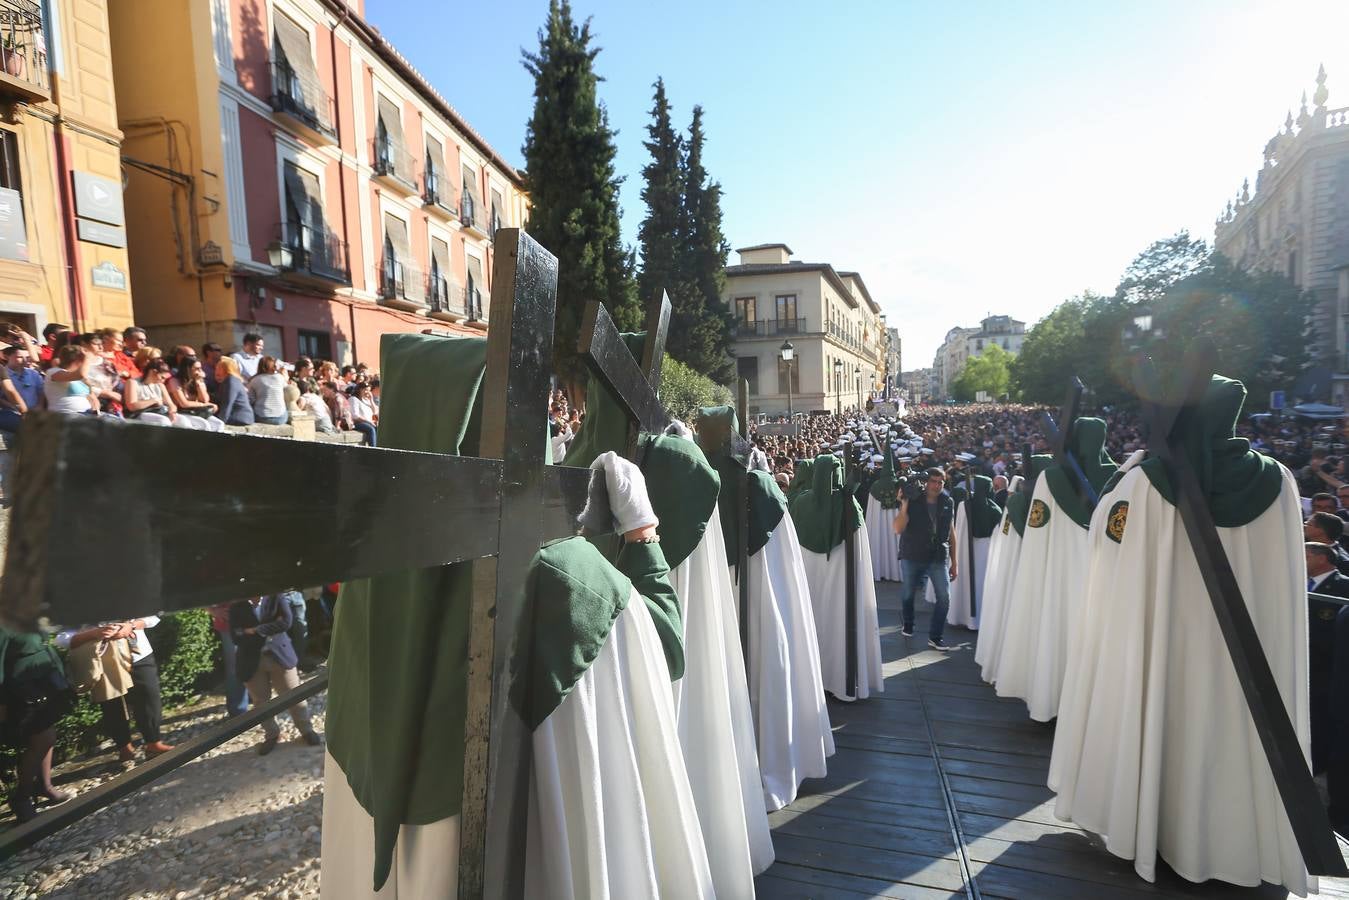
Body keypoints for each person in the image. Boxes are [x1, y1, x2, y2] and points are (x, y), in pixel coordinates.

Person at [57, 616, 173, 762]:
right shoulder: (76, 603)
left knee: (149, 694)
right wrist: (94, 633)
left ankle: (153, 743)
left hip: (138, 652)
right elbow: (62, 638)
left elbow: (152, 617)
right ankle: (125, 749)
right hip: (102, 658)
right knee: (111, 704)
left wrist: (131, 626)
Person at [229, 594, 321, 755]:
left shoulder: (275, 598)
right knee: (261, 701)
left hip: (279, 655)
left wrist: (255, 630)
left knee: (294, 695)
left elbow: (285, 623)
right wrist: (270, 628)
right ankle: (272, 734)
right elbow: (236, 636)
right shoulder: (237, 606)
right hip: (252, 660)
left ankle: (306, 730)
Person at [0, 628, 75, 822]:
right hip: (20, 687)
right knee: (43, 737)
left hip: (42, 679)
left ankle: (44, 786)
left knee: (47, 732)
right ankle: (21, 797)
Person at [893, 467, 957, 650]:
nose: (936, 486)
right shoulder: (913, 498)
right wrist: (904, 504)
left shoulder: (948, 501)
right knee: (908, 593)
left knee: (944, 597)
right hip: (912, 553)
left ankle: (935, 636)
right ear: (926, 482)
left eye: (940, 482)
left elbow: (951, 532)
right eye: (933, 481)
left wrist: (955, 561)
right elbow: (898, 528)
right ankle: (908, 622)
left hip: (938, 555)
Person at [208, 603, 249, 717]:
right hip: (229, 624)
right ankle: (238, 712)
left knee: (254, 661)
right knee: (235, 666)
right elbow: (197, 593)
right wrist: (212, 610)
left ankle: (253, 698)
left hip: (254, 618)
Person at [44, 346, 99, 416]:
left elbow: (93, 398)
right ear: (78, 360)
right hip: (64, 416)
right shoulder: (53, 372)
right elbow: (80, 374)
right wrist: (87, 358)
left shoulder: (82, 378)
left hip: (86, 415)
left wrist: (96, 412)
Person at [0, 344, 43, 434]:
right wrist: (15, 407)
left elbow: (41, 392)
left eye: (27, 357)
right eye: (19, 357)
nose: (24, 360)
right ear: (6, 356)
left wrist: (39, 406)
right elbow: (8, 392)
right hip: (12, 413)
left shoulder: (33, 373)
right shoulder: (3, 374)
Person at [247, 356, 289, 425]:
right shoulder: (280, 378)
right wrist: (285, 376)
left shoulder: (254, 380)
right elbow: (287, 389)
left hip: (261, 417)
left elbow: (251, 399)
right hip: (280, 418)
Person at [1306, 511, 1349, 575]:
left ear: (1321, 530)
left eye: (1309, 524)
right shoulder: (1304, 547)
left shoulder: (1342, 562)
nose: (1304, 526)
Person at [214, 356, 254, 426]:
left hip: (240, 417)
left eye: (219, 367)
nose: (216, 369)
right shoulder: (228, 380)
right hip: (238, 416)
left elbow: (228, 403)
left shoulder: (231, 381)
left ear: (226, 368)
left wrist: (220, 423)